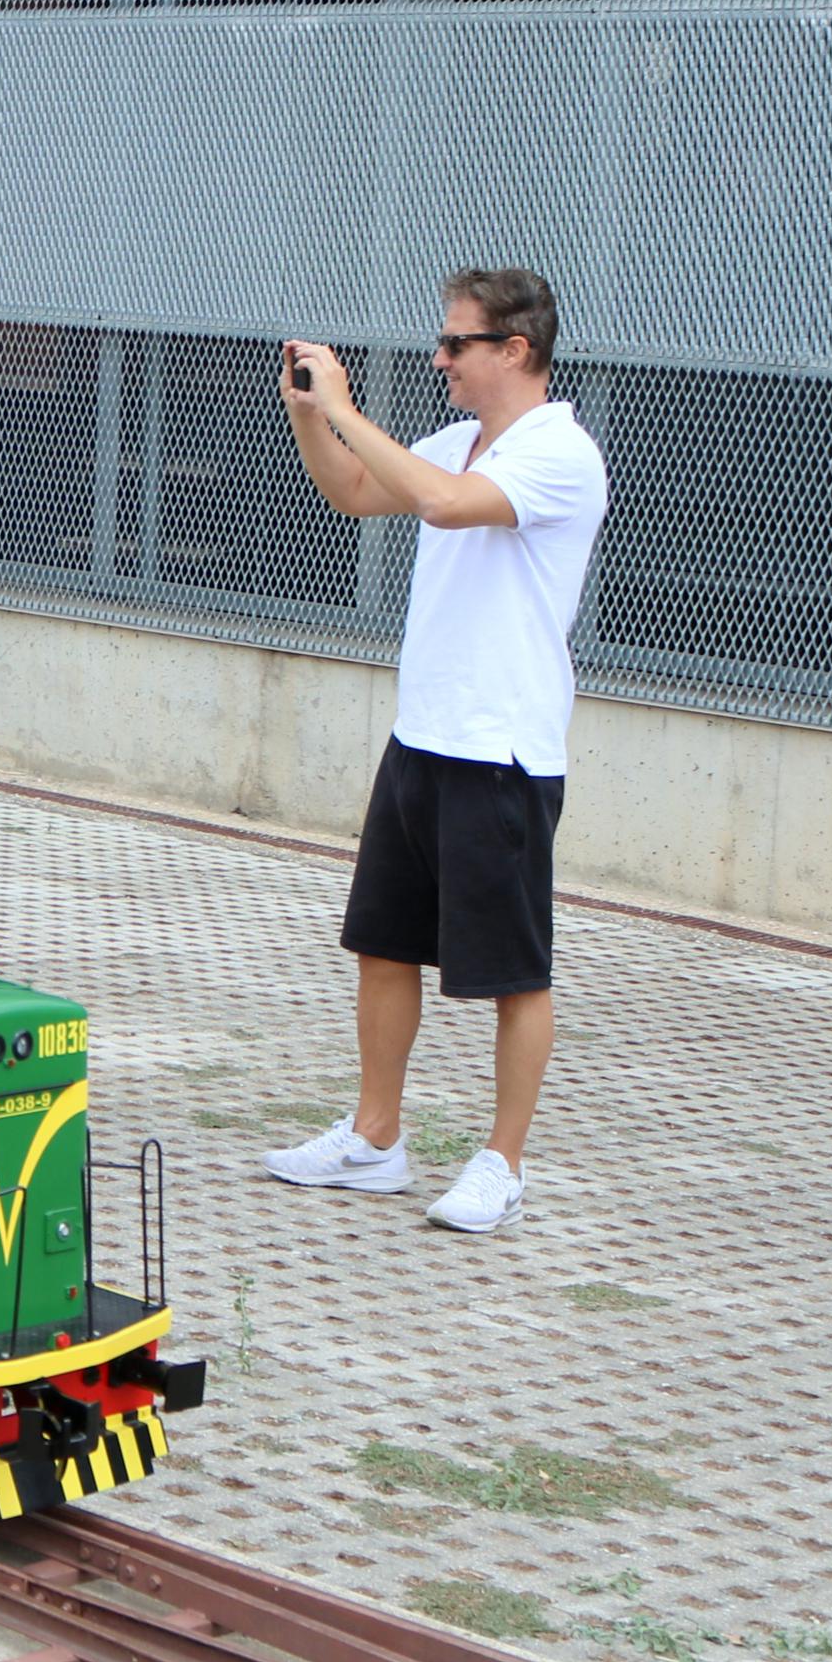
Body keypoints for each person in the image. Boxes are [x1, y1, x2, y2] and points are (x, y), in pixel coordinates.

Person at [265, 267, 608, 1235]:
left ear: (514, 349)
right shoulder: (456, 440)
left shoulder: (559, 453)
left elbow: (448, 505)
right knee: (380, 945)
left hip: (500, 755)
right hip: (419, 738)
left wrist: (346, 405)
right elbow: (353, 489)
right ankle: (374, 1138)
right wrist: (308, 415)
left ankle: (501, 1162)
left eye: (456, 343)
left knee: (512, 973)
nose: (438, 359)